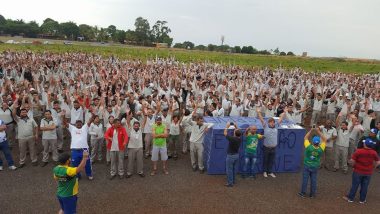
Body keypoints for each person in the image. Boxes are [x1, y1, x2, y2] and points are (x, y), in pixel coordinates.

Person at [342, 138, 380, 203]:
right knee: (365, 186)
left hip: (358, 171)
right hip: (368, 172)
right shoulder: (374, 152)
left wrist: (353, 166)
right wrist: (374, 167)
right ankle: (362, 200)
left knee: (355, 185)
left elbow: (352, 161)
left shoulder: (359, 151)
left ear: (365, 144)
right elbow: (378, 162)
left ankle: (350, 198)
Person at [62, 109, 94, 180]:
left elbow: (91, 120)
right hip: (75, 150)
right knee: (75, 164)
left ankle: (89, 174)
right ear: (75, 124)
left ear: (82, 124)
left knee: (87, 163)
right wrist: (63, 115)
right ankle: (77, 176)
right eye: (77, 123)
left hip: (84, 150)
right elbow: (64, 123)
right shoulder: (72, 128)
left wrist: (93, 113)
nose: (79, 124)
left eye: (80, 123)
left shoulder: (85, 128)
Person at [256, 106, 285, 178]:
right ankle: (265, 172)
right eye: (271, 122)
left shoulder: (276, 126)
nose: (272, 123)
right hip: (266, 147)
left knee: (271, 160)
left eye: (273, 122)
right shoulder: (265, 126)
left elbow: (280, 119)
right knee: (265, 160)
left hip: (273, 148)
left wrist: (284, 112)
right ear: (268, 123)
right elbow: (261, 119)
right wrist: (258, 112)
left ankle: (270, 172)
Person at [298, 128, 326, 198]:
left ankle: (303, 193)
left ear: (312, 142)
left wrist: (311, 130)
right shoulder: (321, 149)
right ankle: (312, 194)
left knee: (305, 179)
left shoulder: (308, 147)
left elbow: (305, 138)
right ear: (319, 142)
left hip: (307, 164)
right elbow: (325, 139)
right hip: (315, 166)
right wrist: (318, 131)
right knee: (313, 180)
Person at [12, 103, 39, 168]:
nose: (24, 113)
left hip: (31, 137)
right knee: (22, 150)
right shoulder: (18, 119)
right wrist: (15, 108)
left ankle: (34, 160)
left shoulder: (31, 119)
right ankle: (22, 162)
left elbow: (36, 126)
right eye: (22, 112)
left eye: (25, 112)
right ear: (20, 113)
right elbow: (13, 114)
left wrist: (36, 134)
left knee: (32, 149)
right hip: (21, 138)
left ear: (27, 113)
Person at [189, 109, 213, 173]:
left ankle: (201, 167)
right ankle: (194, 166)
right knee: (192, 155)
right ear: (197, 121)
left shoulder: (204, 124)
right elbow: (188, 120)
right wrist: (192, 114)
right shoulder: (193, 123)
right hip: (192, 142)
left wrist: (208, 127)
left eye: (202, 121)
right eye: (200, 121)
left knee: (200, 156)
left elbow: (212, 124)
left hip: (200, 143)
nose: (202, 122)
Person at [125, 112, 144, 178]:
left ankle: (140, 172)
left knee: (140, 161)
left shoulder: (141, 130)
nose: (136, 127)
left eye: (137, 126)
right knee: (130, 161)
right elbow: (128, 122)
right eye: (135, 126)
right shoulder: (131, 129)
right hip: (131, 148)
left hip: (139, 147)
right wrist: (127, 115)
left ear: (139, 126)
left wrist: (146, 115)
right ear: (133, 126)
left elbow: (144, 122)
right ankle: (129, 172)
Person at [223, 122, 242, 187]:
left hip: (230, 156)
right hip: (236, 155)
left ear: (234, 133)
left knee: (229, 170)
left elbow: (225, 133)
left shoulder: (232, 139)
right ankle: (233, 180)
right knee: (234, 169)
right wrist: (236, 126)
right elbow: (239, 132)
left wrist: (227, 126)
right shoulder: (239, 139)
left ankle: (230, 183)